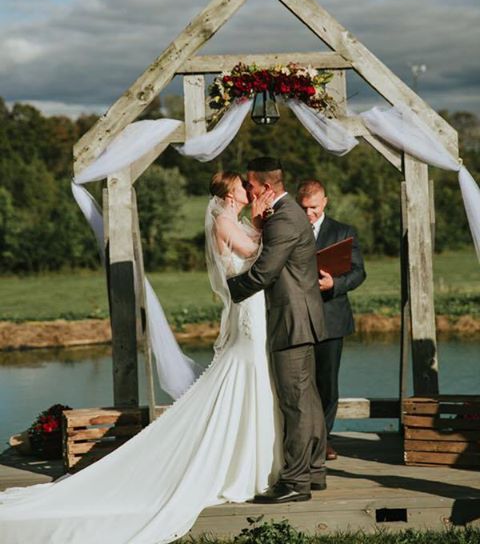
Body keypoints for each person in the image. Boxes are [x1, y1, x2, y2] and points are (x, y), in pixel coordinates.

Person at [0, 172, 282, 544]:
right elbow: (253, 255)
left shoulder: (236, 220)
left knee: (253, 377)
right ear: (230, 193)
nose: (249, 190)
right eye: (242, 186)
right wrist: (263, 223)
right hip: (247, 314)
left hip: (253, 308)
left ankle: (251, 460)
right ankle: (239, 466)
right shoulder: (224, 223)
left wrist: (258, 223)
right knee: (245, 373)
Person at [228, 157, 327, 504]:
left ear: (267, 187)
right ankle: (314, 470)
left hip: (292, 320)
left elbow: (265, 272)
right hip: (301, 318)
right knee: (307, 399)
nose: (249, 190)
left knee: (295, 403)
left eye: (251, 185)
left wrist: (228, 290)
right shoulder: (287, 214)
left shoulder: (284, 218)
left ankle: (296, 482)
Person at [296, 179, 366, 460]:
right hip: (297, 317)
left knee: (327, 384)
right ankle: (302, 440)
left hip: (331, 318)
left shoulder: (343, 231)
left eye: (313, 207)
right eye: (304, 208)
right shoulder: (290, 228)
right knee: (300, 383)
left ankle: (323, 440)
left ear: (325, 202)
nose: (309, 214)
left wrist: (334, 284)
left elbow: (359, 272)